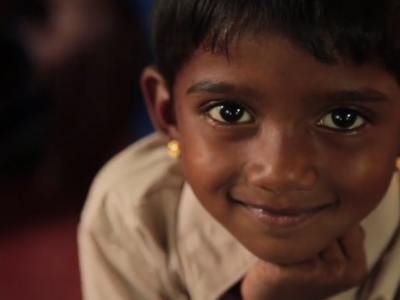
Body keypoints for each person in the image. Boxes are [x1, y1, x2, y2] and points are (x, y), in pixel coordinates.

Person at [78, 0, 400, 299]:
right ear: (168, 112)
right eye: (229, 112)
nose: (279, 173)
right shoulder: (133, 215)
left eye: (344, 119)